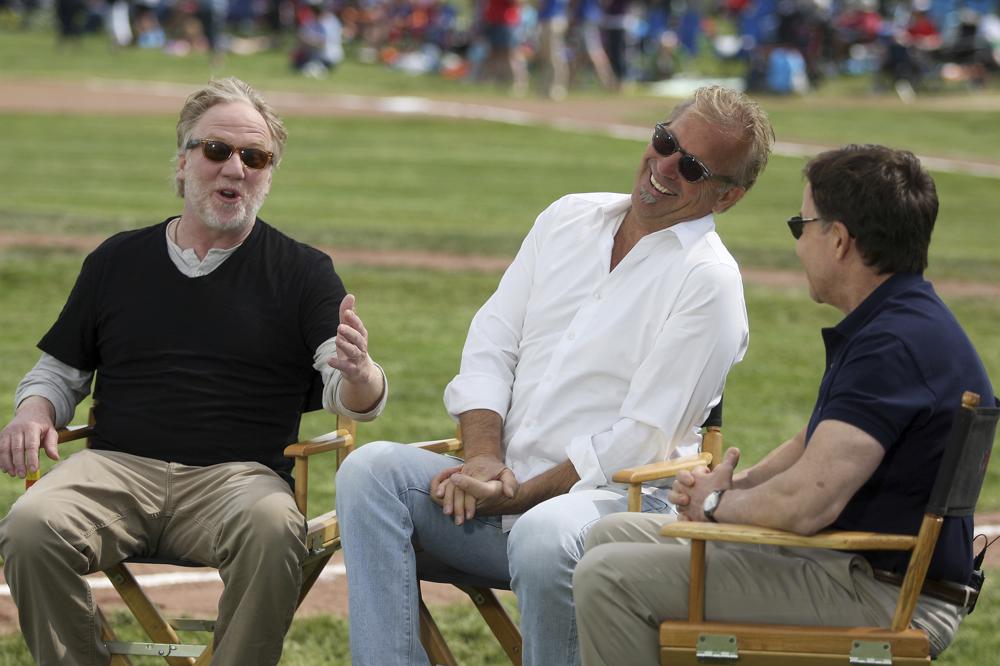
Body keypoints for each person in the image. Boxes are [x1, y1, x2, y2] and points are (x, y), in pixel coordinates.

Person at [336, 85, 774, 666]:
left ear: (729, 197)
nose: (664, 165)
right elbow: (492, 343)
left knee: (546, 534)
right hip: (497, 491)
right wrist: (485, 459)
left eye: (691, 166)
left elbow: (638, 441)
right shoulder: (568, 216)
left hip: (614, 509)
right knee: (370, 472)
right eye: (665, 140)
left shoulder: (709, 282)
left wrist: (512, 493)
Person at [0, 77, 387, 666]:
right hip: (116, 471)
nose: (235, 168)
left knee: (273, 527)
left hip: (237, 482)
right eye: (216, 151)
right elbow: (60, 370)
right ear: (182, 163)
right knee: (30, 525)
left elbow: (347, 388)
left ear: (267, 174)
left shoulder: (304, 272)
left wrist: (362, 375)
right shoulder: (117, 259)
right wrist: (33, 410)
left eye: (254, 157)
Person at [573, 144, 994, 665]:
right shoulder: (900, 322)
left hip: (882, 593)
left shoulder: (895, 345)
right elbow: (809, 448)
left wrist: (714, 507)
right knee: (610, 534)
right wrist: (732, 488)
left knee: (608, 577)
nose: (798, 245)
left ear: (838, 240)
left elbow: (808, 501)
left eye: (803, 225)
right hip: (862, 568)